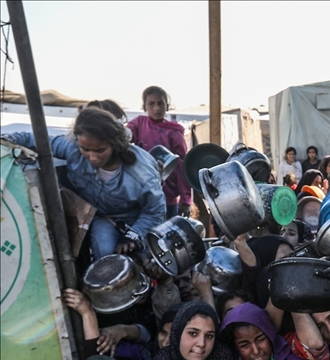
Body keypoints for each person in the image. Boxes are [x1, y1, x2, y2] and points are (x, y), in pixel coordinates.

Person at [4, 107, 165, 259]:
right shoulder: (72, 149)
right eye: (85, 149)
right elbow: (38, 139)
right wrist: (9, 140)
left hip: (136, 220)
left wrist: (134, 235)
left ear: (115, 143)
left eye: (100, 150)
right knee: (105, 252)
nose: (92, 157)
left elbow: (154, 212)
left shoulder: (142, 173)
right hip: (102, 217)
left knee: (141, 262)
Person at [127, 86, 191, 218]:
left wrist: (186, 200)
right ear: (144, 107)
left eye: (160, 103)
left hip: (168, 195)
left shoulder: (174, 132)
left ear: (167, 106)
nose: (156, 108)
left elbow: (182, 167)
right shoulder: (139, 123)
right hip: (143, 191)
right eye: (151, 104)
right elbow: (127, 134)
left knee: (168, 233)